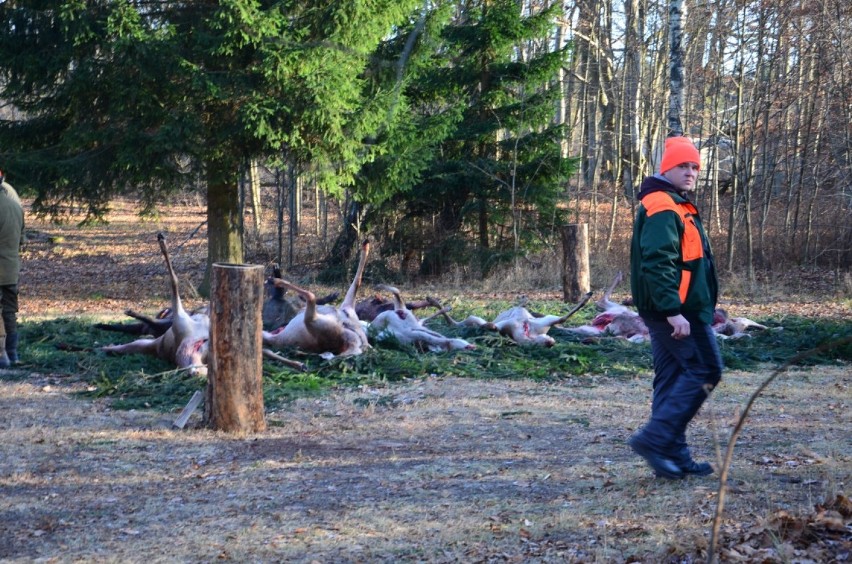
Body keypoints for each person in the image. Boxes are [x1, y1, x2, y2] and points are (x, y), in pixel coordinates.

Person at [627, 136, 722, 479]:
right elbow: (657, 262)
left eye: (695, 166)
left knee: (670, 380)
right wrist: (673, 311)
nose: (691, 172)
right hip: (677, 312)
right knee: (706, 370)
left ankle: (672, 456)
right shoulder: (664, 206)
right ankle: (655, 439)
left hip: (676, 308)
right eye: (683, 165)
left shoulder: (674, 204)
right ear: (665, 168)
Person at [0, 170, 25, 368]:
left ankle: (1, 356)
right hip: (11, 267)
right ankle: (13, 353)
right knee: (9, 311)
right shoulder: (15, 205)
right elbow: (21, 239)